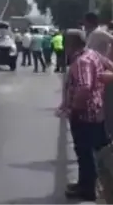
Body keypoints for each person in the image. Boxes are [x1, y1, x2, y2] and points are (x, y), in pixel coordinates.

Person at [59, 29, 109, 202]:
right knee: (93, 151)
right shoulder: (92, 54)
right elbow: (109, 64)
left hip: (84, 114)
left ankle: (88, 189)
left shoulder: (81, 62)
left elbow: (85, 87)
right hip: (96, 110)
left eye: (66, 43)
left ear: (71, 44)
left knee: (85, 153)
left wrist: (73, 108)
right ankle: (85, 184)